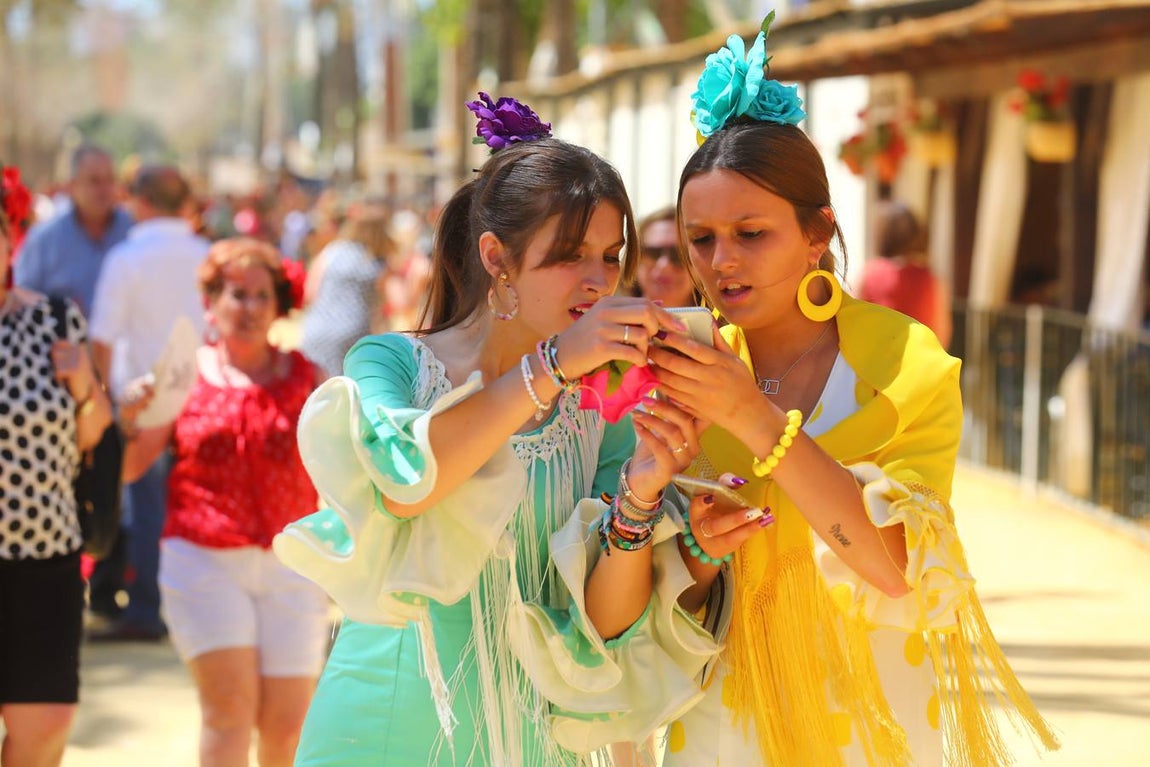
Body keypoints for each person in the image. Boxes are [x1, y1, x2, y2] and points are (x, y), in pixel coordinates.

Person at [641, 29, 1060, 766]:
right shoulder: (680, 369)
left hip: (877, 727)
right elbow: (656, 596)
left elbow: (895, 567)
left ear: (817, 233)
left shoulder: (905, 365)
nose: (720, 262)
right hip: (716, 729)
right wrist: (696, 551)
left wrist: (753, 417)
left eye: (750, 232)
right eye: (699, 239)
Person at [272, 94, 719, 766]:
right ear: (497, 257)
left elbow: (603, 624)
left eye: (609, 255)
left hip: (531, 741)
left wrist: (640, 501)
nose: (599, 281)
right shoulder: (390, 364)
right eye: (571, 256)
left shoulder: (598, 429)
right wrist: (553, 362)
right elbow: (408, 485)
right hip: (381, 731)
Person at [118, 238, 329, 766]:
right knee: (230, 712)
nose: (250, 307)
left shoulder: (308, 377)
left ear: (279, 305)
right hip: (203, 561)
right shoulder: (182, 374)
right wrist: (127, 418)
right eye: (237, 294)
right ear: (211, 302)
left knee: (287, 726)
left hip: (293, 565)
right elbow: (130, 466)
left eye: (262, 295)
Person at [0, 162, 114, 765]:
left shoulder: (53, 319)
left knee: (43, 728)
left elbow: (93, 432)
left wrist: (83, 388)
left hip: (45, 550)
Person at [87, 165, 211, 641]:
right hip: (201, 396)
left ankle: (145, 607)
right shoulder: (206, 254)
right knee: (187, 504)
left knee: (144, 508)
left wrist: (98, 401)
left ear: (140, 202)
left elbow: (101, 337)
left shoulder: (128, 258)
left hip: (143, 403)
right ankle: (182, 603)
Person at [13, 144, 133, 317]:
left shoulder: (134, 231)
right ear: (71, 186)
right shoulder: (44, 240)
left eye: (110, 180)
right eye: (94, 181)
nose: (105, 189)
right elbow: (21, 297)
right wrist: (58, 311)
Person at [299, 202, 394, 377]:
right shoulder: (378, 263)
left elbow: (310, 292)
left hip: (316, 329)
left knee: (317, 394)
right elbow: (385, 307)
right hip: (355, 332)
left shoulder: (332, 251)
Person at [858, 199, 952, 347]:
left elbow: (855, 324)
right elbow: (941, 332)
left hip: (877, 362)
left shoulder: (869, 274)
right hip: (919, 362)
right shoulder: (930, 278)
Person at [629, 205, 697, 308]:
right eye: (653, 253)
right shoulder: (607, 320)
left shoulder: (724, 323)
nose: (664, 265)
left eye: (679, 255)